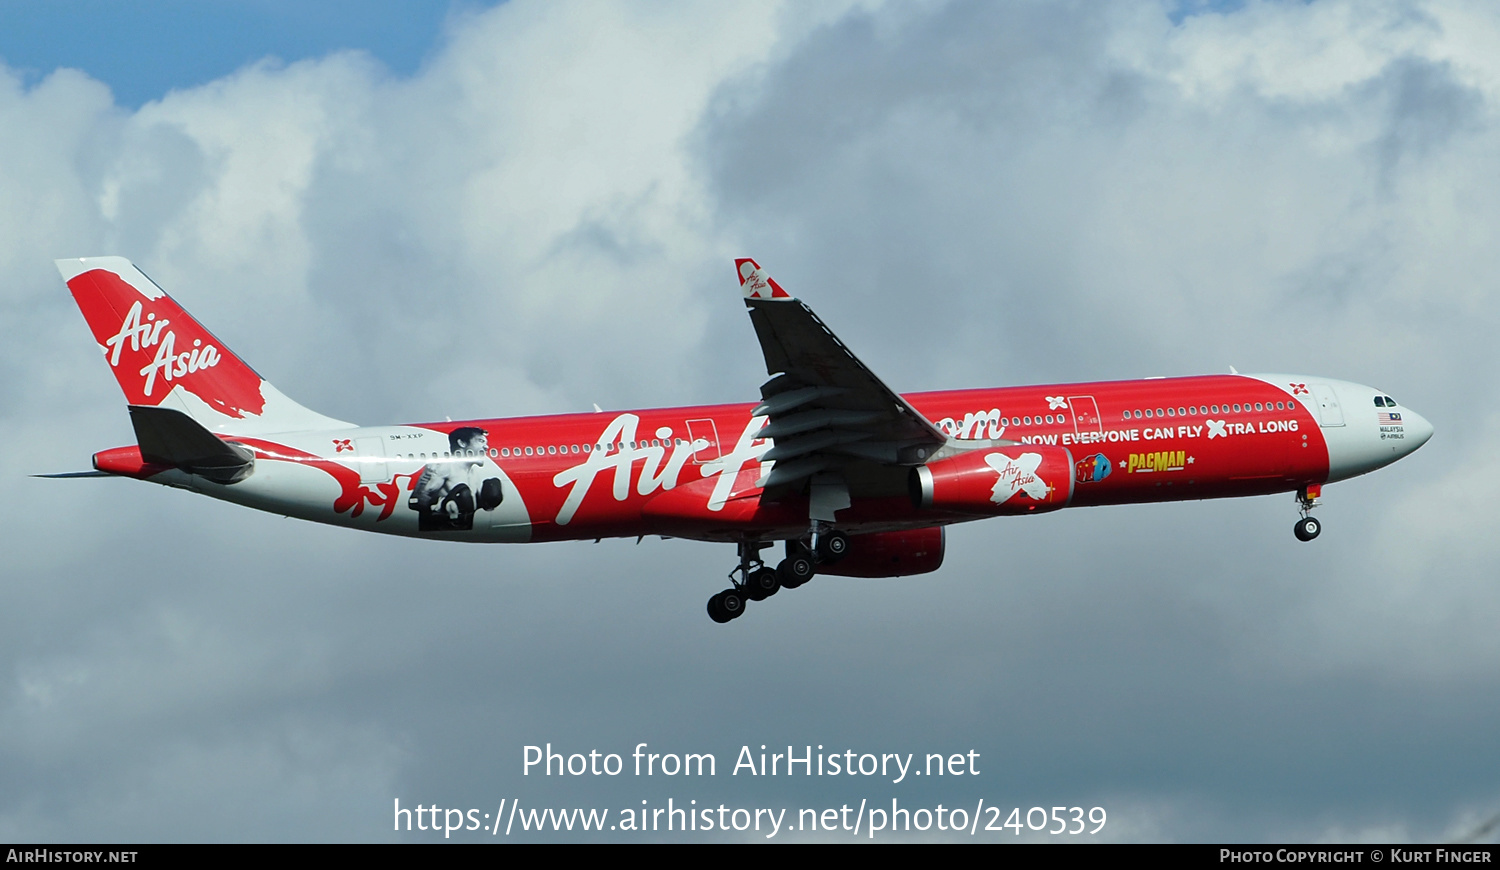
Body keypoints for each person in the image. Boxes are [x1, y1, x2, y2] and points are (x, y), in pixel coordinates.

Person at [410, 427, 504, 531]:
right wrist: (444, 505)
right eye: (480, 441)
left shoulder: (474, 474)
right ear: (462, 443)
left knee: (492, 486)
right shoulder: (445, 468)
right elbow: (416, 501)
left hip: (465, 527)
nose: (486, 447)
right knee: (462, 491)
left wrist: (489, 502)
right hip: (441, 525)